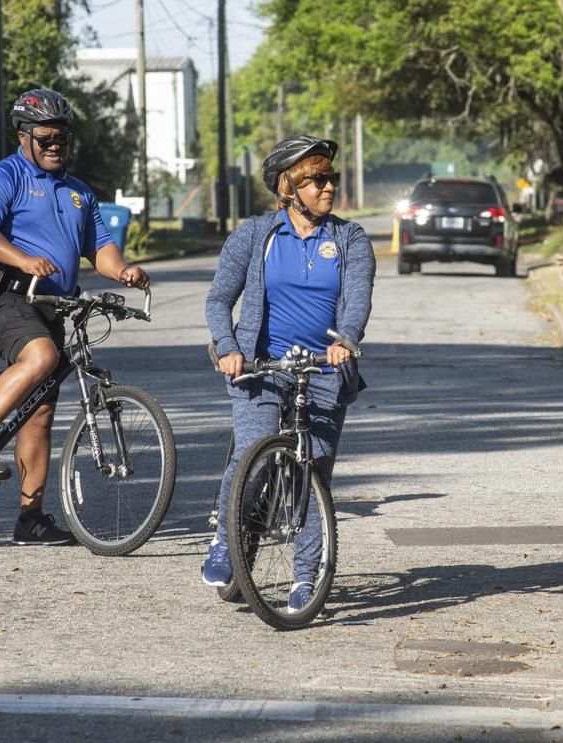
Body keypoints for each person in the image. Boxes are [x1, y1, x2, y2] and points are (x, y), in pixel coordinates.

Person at [0, 88, 150, 545]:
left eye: (62, 136)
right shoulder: (3, 177)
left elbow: (100, 250)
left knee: (39, 412)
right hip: (6, 295)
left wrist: (124, 271)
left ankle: (30, 518)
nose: (56, 144)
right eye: (46, 136)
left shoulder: (79, 193)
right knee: (39, 358)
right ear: (24, 136)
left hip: (54, 304)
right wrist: (20, 259)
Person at [204, 134, 375, 610]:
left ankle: (307, 576)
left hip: (323, 370)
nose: (328, 188)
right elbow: (219, 299)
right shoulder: (255, 235)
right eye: (316, 179)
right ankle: (224, 539)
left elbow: (357, 298)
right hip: (261, 367)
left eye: (331, 179)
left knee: (313, 471)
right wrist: (228, 347)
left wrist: (345, 340)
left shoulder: (349, 238)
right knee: (253, 459)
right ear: (287, 186)